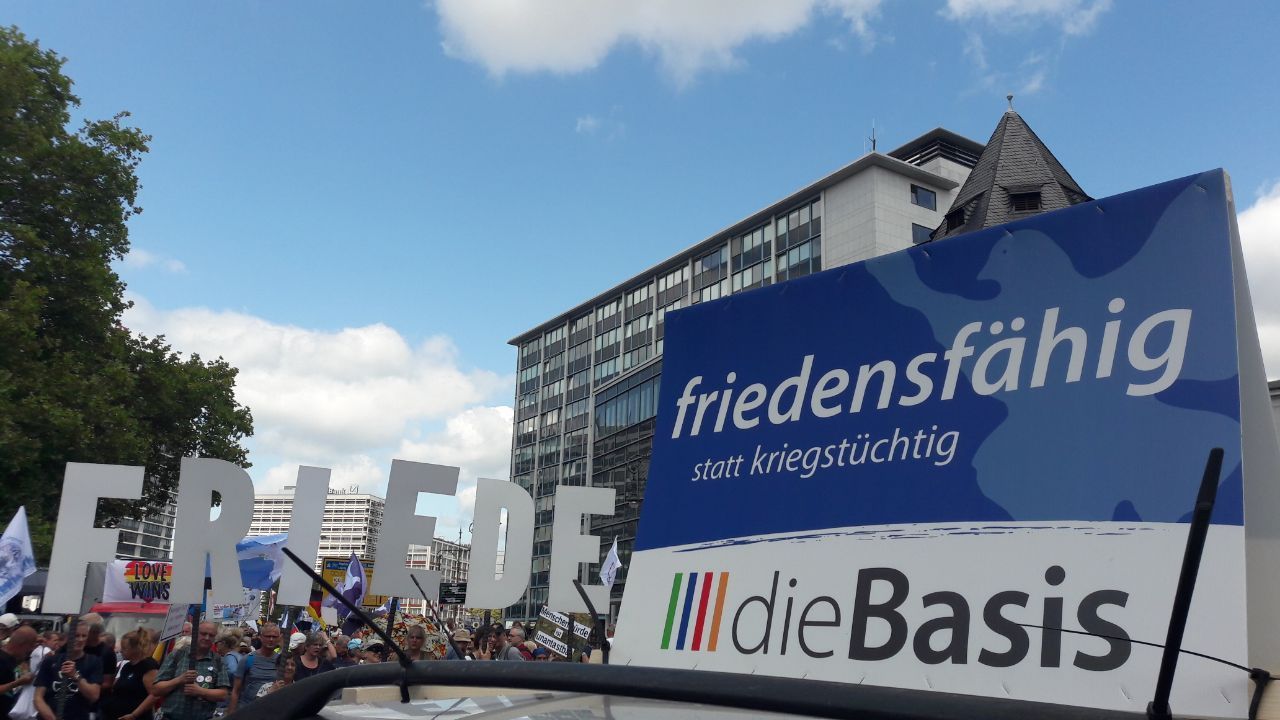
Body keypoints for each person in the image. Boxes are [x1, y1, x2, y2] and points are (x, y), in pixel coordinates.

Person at [151, 622, 228, 720]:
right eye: (203, 634)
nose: (207, 638)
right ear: (195, 634)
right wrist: (179, 680)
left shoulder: (217, 661)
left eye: (211, 635)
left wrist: (200, 691)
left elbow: (223, 694)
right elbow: (156, 690)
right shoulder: (177, 655)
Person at [33, 621, 102, 720]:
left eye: (84, 636)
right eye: (76, 635)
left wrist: (76, 676)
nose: (80, 639)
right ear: (67, 637)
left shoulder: (93, 662)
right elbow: (38, 698)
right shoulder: (51, 661)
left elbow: (94, 696)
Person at [100, 629, 158, 720]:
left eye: (125, 648)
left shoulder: (148, 666)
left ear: (135, 649)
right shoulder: (127, 666)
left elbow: (154, 695)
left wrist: (134, 715)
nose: (121, 651)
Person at [228, 622, 280, 714]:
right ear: (261, 637)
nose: (271, 639)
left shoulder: (281, 661)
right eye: (268, 636)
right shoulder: (248, 659)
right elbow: (236, 691)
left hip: (270, 711)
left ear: (279, 638)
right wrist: (231, 715)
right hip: (248, 710)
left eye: (274, 637)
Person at [0, 626, 38, 717]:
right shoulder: (1, 660)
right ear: (22, 644)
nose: (31, 650)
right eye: (31, 646)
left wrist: (25, 671)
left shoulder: (16, 658)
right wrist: (18, 682)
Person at [78, 614, 117, 694]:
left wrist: (85, 688)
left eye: (84, 634)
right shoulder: (77, 647)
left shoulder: (107, 653)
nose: (80, 638)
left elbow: (108, 683)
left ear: (94, 633)